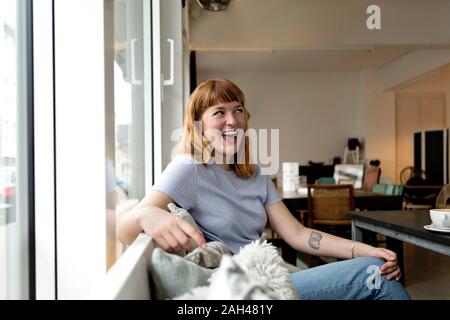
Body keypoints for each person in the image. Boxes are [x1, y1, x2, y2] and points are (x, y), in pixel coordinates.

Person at [118, 78, 411, 300]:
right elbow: (125, 230)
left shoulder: (255, 174)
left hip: (271, 271)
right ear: (198, 125)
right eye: (219, 113)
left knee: (373, 265)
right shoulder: (189, 168)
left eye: (238, 110)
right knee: (377, 277)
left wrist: (365, 249)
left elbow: (298, 235)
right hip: (240, 284)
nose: (232, 120)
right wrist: (145, 216)